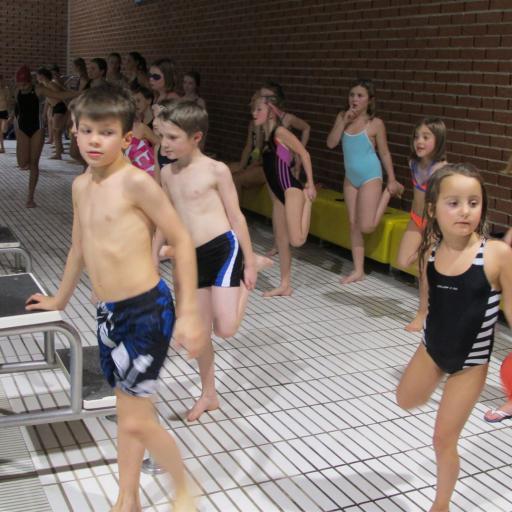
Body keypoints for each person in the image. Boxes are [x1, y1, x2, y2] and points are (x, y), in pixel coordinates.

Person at [26, 84, 204, 512]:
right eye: (86, 130)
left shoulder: (136, 183)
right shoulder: (81, 186)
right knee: (129, 414)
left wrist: (189, 313)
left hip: (146, 311)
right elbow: (78, 247)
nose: (93, 141)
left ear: (126, 139)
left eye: (106, 132)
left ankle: (184, 490)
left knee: (137, 420)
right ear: (74, 129)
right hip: (107, 314)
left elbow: (181, 239)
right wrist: (60, 299)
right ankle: (128, 497)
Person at [396, 163, 512, 512]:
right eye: (454, 203)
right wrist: (420, 316)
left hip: (469, 364)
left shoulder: (495, 254)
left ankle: (441, 504)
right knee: (405, 399)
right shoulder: (430, 250)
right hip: (432, 349)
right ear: (433, 209)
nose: (465, 211)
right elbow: (428, 295)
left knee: (442, 440)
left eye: (473, 203)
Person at [154, 100, 272, 421]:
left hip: (223, 250)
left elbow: (237, 217)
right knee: (201, 333)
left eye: (173, 138)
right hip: (191, 259)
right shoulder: (167, 173)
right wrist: (152, 259)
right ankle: (209, 394)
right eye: (162, 136)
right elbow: (164, 220)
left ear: (196, 137)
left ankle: (247, 275)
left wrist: (249, 263)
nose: (164, 144)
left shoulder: (216, 170)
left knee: (227, 329)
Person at [326, 78, 404, 284]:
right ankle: (358, 270)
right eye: (352, 95)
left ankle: (388, 193)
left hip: (370, 175)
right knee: (353, 224)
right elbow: (331, 143)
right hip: (350, 178)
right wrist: (343, 122)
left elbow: (384, 153)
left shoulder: (375, 124)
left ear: (370, 100)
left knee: (366, 226)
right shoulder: (342, 117)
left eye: (360, 96)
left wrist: (392, 179)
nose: (354, 99)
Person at [252, 93, 315, 297]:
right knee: (281, 240)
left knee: (297, 240)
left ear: (271, 112)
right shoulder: (265, 136)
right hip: (280, 195)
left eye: (259, 109)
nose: (254, 113)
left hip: (291, 190)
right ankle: (285, 284)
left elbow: (304, 153)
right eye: (253, 109)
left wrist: (310, 184)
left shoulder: (280, 132)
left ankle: (308, 201)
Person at [396, 118, 447, 331]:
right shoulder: (413, 163)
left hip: (434, 223)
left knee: (423, 269)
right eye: (417, 137)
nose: (419, 141)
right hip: (416, 218)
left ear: (439, 140)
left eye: (426, 137)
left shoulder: (442, 169)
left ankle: (422, 313)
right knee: (402, 261)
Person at [14, 65, 45, 207]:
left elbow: (60, 95)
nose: (22, 87)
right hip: (22, 128)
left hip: (37, 128)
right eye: (20, 84)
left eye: (25, 84)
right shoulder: (17, 91)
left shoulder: (38, 90)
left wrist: (79, 93)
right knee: (22, 163)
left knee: (34, 163)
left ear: (30, 81)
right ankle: (27, 161)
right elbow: (16, 108)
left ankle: (30, 197)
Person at [36, 67, 67, 159]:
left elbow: (62, 95)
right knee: (56, 131)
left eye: (38, 76)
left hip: (60, 106)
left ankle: (58, 154)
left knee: (56, 131)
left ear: (42, 76)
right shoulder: (45, 85)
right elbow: (48, 100)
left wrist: (69, 108)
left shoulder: (51, 84)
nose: (37, 78)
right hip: (55, 107)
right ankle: (60, 149)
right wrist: (44, 113)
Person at [0, 75, 13, 153]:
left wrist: (10, 113)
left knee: (4, 130)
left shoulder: (6, 89)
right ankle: (2, 147)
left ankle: (2, 147)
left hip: (4, 111)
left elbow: (9, 102)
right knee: (0, 131)